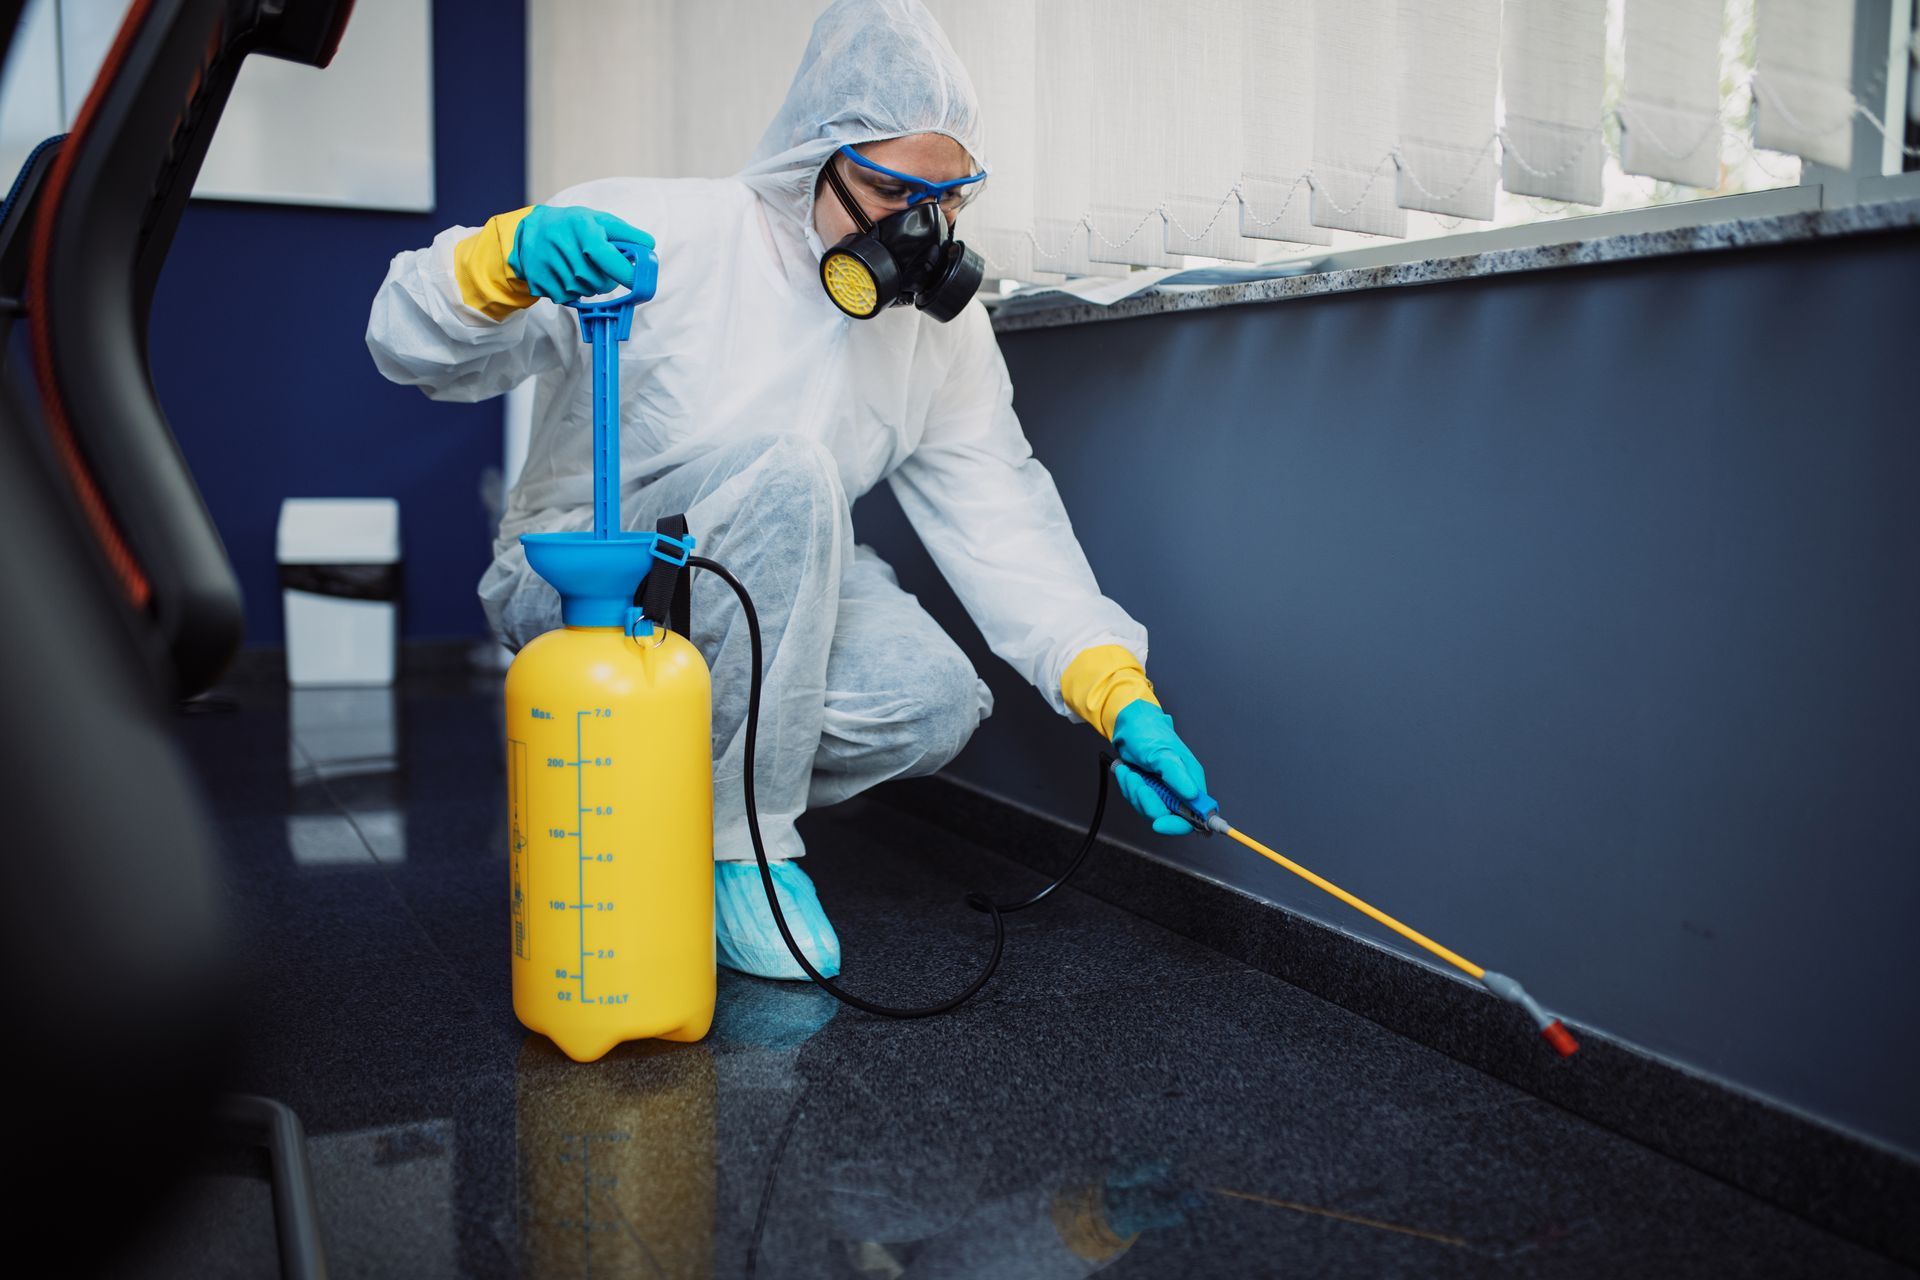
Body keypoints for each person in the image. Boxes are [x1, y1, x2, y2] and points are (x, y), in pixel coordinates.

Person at [366, 0, 1210, 982]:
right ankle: (744, 849)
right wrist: (501, 260)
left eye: (948, 199)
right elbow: (404, 345)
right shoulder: (663, 233)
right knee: (793, 473)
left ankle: (655, 800)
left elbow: (1002, 514)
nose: (922, 230)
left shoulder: (938, 333)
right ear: (815, 158)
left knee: (932, 701)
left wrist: (1115, 692)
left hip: (789, 581)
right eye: (891, 191)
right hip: (590, 568)